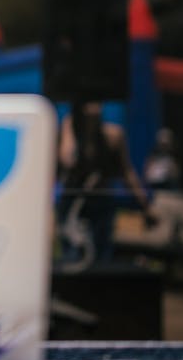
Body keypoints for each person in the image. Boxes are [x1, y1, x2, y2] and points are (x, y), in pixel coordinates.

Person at [56, 100, 156, 265]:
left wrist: (145, 206)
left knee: (101, 260)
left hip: (100, 205)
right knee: (73, 258)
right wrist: (70, 127)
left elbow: (127, 173)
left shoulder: (113, 136)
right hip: (72, 207)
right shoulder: (68, 134)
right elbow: (67, 161)